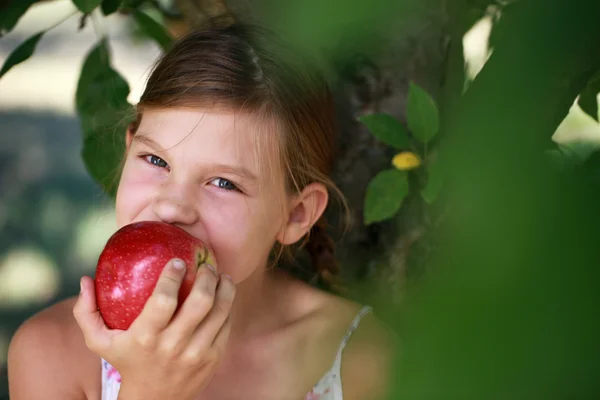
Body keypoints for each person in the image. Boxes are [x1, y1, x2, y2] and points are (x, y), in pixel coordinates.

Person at [7, 19, 396, 400]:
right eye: (155, 160)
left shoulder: (363, 361)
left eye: (224, 183)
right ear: (127, 151)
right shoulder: (52, 354)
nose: (172, 205)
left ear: (295, 215)